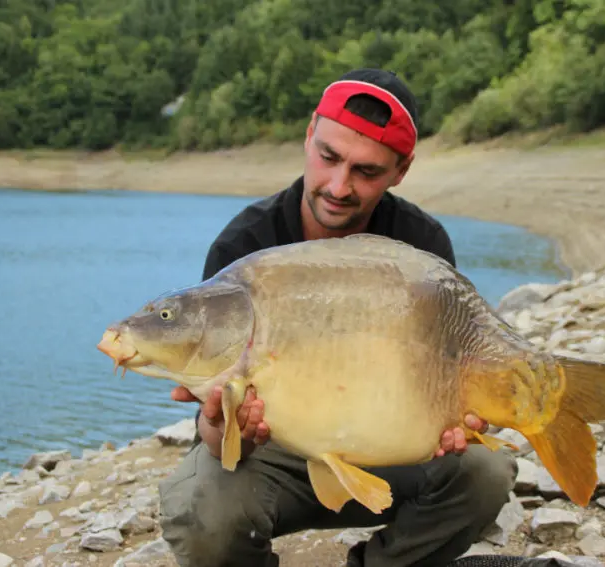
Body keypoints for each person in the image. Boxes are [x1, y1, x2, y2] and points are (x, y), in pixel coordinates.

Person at [158, 68, 518, 567]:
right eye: (328, 157)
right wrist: (222, 420)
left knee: (485, 473)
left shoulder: (421, 249)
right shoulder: (244, 248)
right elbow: (220, 445)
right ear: (309, 136)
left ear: (401, 170)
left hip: (387, 448)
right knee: (198, 509)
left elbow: (450, 381)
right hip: (276, 456)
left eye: (367, 171)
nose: (338, 186)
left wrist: (456, 420)